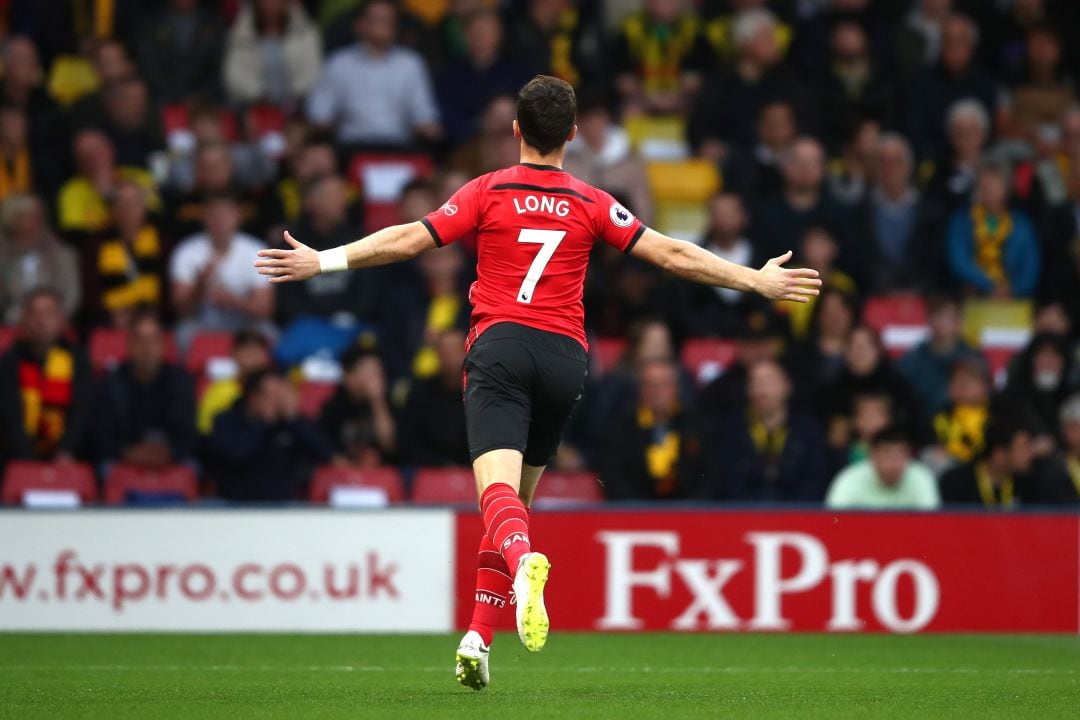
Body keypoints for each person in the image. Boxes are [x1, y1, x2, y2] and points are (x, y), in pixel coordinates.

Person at [255, 74, 819, 690]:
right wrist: (755, 281)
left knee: (496, 503)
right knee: (514, 507)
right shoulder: (591, 200)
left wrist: (324, 259)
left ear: (517, 131)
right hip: (565, 360)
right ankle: (477, 639)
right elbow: (671, 254)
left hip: (501, 348)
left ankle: (525, 567)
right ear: (572, 135)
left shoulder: (488, 189)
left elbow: (409, 239)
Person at [306, 0, 441, 147]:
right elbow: (320, 113)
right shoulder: (339, 63)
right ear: (359, 25)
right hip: (350, 146)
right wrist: (322, 128)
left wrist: (431, 130)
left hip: (398, 145)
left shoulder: (411, 64)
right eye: (376, 20)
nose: (382, 26)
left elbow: (425, 116)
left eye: (388, 20)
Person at [699, 359, 829, 502]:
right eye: (754, 382)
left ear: (787, 385)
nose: (760, 388)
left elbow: (815, 480)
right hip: (744, 516)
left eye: (768, 381)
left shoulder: (808, 429)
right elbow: (729, 484)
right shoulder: (731, 429)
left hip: (797, 515)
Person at [208, 368, 334, 501]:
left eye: (282, 394)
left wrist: (293, 420)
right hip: (232, 502)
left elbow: (325, 454)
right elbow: (234, 455)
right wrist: (262, 423)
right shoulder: (226, 420)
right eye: (272, 395)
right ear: (253, 397)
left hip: (283, 505)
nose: (278, 401)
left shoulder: (293, 423)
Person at [95, 311, 196, 474]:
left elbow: (188, 435)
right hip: (123, 457)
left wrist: (169, 453)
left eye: (153, 340)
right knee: (106, 469)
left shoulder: (181, 381)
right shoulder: (111, 382)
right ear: (129, 344)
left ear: (163, 345)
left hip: (171, 458)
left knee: (191, 469)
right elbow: (103, 435)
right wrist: (128, 453)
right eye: (140, 340)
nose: (146, 348)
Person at [170, 194, 273, 351]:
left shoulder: (256, 250)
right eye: (214, 215)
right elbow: (182, 311)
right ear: (205, 218)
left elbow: (265, 310)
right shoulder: (187, 251)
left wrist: (232, 301)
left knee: (270, 333)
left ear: (237, 217)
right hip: (203, 323)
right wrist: (200, 285)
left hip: (244, 324)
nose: (220, 221)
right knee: (182, 333)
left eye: (225, 214)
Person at [0, 288, 92, 462]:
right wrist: (27, 457)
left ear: (61, 320)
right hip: (17, 458)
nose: (41, 320)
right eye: (34, 313)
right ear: (24, 321)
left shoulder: (77, 360)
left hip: (68, 458)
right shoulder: (10, 361)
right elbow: (9, 417)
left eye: (49, 312)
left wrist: (67, 451)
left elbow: (82, 413)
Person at [598, 358, 702, 500]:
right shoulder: (621, 427)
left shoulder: (696, 424)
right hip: (634, 513)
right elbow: (612, 475)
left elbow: (707, 475)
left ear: (676, 388)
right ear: (640, 390)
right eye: (650, 385)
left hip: (687, 513)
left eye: (663, 385)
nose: (657, 392)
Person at [946, 160, 1040, 299]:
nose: (988, 189)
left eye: (994, 184)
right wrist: (990, 285)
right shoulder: (962, 221)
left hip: (1013, 299)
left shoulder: (1021, 224)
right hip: (971, 296)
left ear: (1007, 188)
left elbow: (1031, 268)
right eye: (983, 184)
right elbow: (959, 260)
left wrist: (1012, 289)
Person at [223, 0, 322, 108]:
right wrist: (260, 95)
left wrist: (292, 98)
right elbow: (234, 75)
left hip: (299, 106)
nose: (271, 4)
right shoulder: (240, 33)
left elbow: (313, 72)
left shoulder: (306, 32)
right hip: (252, 106)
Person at [898, 294, 981, 421]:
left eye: (951, 317)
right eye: (939, 316)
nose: (944, 323)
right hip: (921, 425)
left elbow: (981, 399)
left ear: (960, 321)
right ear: (929, 320)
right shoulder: (913, 359)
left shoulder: (974, 358)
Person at [0, 193, 80, 324]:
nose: (34, 221)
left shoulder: (60, 253)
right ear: (11, 220)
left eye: (37, 216)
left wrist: (51, 321)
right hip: (9, 325)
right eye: (26, 216)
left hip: (54, 326)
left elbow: (71, 295)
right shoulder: (3, 254)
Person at [826, 425, 941, 510]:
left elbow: (931, 524)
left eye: (900, 455)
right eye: (887, 454)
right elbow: (834, 519)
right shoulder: (850, 478)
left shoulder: (921, 477)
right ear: (873, 456)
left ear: (909, 456)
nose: (894, 462)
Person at [318, 343, 396, 466]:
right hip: (343, 476)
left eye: (378, 370)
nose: (376, 377)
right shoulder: (333, 408)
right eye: (369, 370)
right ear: (348, 377)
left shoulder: (391, 404)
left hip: (383, 476)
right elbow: (324, 448)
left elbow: (390, 444)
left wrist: (377, 401)